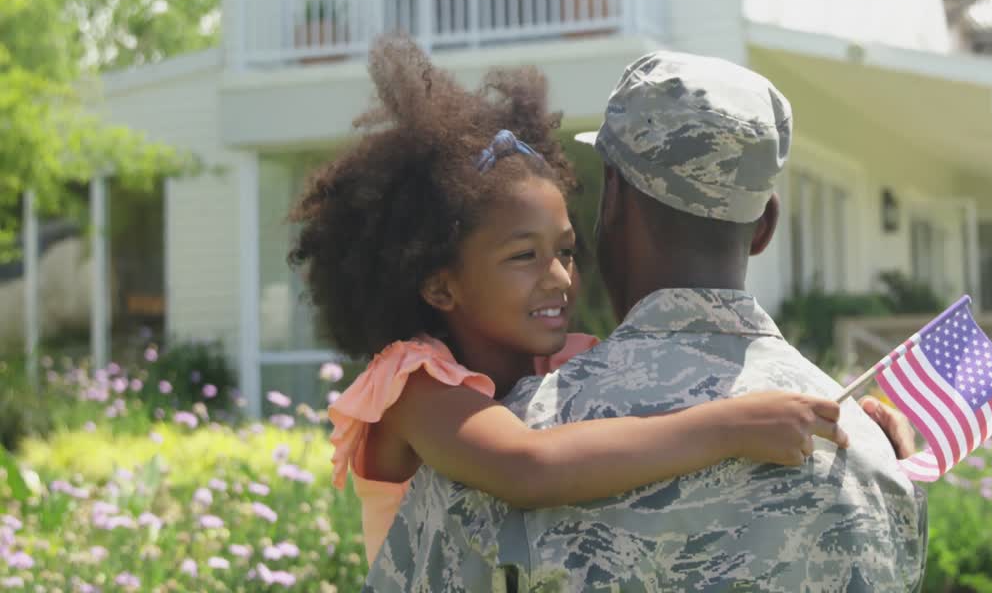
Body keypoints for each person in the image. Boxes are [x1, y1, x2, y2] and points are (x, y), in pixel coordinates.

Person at [288, 36, 866, 566]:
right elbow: (527, 467)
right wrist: (724, 426)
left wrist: (839, 417)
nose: (560, 278)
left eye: (565, 251)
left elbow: (648, 423)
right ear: (441, 285)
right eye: (523, 256)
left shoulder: (563, 364)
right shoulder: (415, 387)